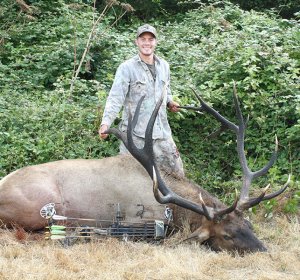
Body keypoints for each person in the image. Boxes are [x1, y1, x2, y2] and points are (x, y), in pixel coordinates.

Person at [99, 24, 184, 178]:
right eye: (143, 39)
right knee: (130, 179)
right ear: (136, 42)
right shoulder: (126, 68)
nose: (147, 43)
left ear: (155, 42)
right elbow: (115, 97)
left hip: (162, 133)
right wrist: (106, 123)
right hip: (136, 137)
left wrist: (170, 102)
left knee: (178, 175)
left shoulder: (164, 66)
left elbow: (166, 90)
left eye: (150, 39)